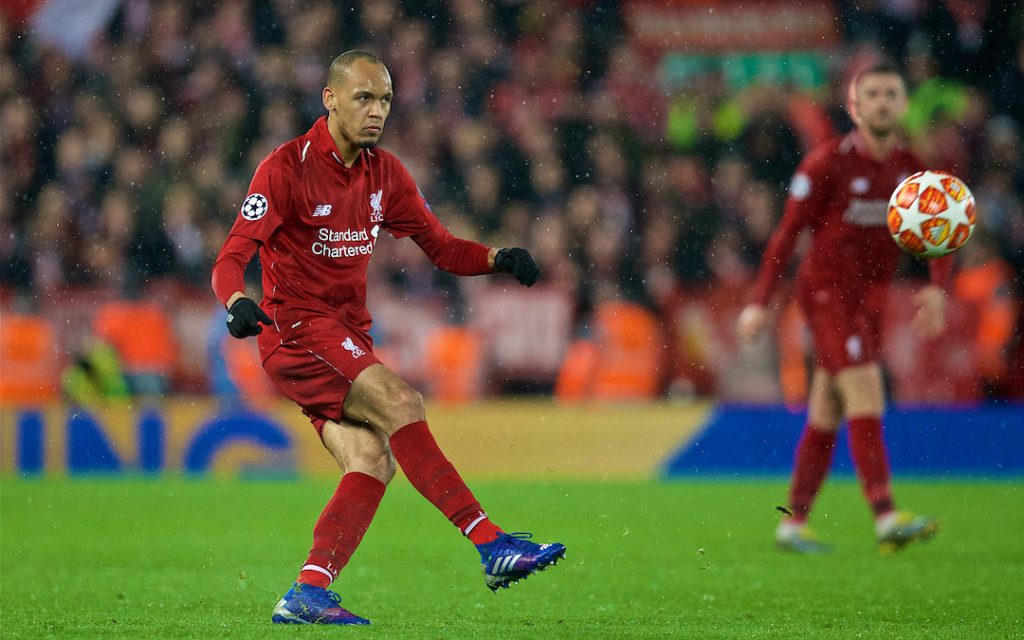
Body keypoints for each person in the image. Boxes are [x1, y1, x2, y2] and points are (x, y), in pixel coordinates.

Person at [211, 50, 565, 625]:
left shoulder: (386, 174)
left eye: (385, 101)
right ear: (330, 98)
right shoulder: (284, 168)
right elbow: (231, 257)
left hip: (346, 335)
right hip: (296, 332)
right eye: (364, 98)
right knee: (404, 402)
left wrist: (499, 257)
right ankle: (492, 544)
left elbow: (443, 247)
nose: (377, 112)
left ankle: (307, 593)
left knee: (372, 459)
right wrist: (236, 302)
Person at [737, 60, 950, 554]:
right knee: (864, 385)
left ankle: (792, 523)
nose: (881, 102)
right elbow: (786, 236)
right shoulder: (826, 163)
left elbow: (941, 232)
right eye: (871, 94)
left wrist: (937, 285)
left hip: (870, 299)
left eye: (890, 94)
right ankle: (886, 516)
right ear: (855, 106)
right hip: (827, 294)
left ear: (903, 104)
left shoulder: (912, 170)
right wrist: (759, 303)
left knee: (828, 406)